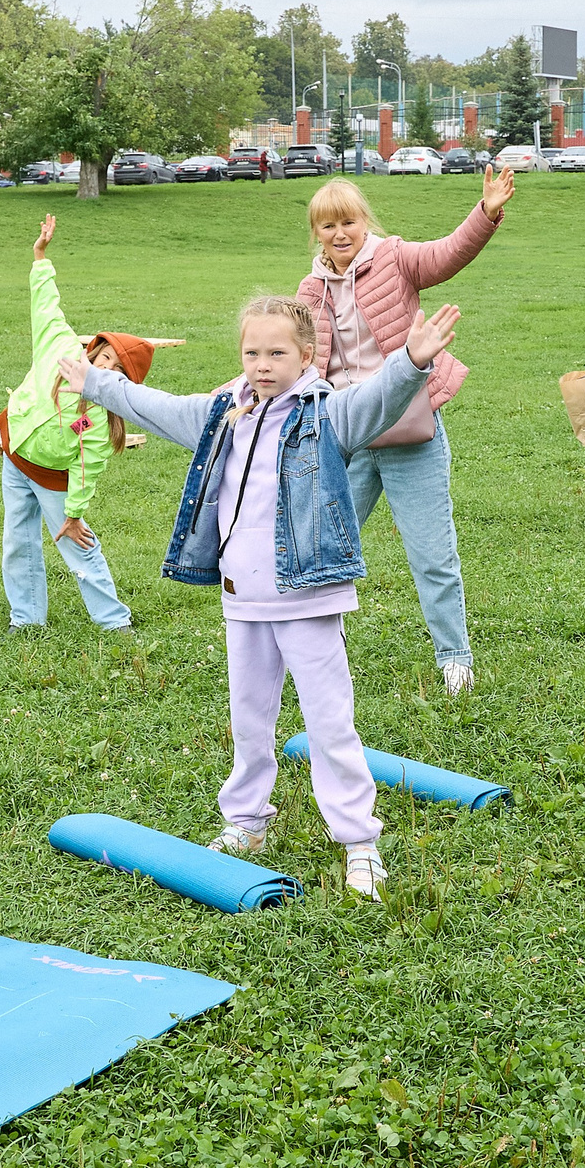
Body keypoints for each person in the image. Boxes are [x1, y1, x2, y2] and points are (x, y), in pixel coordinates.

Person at [66, 296, 462, 899]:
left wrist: (409, 361)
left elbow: (375, 401)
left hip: (305, 596)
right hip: (241, 597)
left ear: (307, 356)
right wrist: (97, 382)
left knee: (330, 725)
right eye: (252, 352)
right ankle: (247, 823)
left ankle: (359, 842)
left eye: (278, 352)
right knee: (249, 722)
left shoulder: (326, 412)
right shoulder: (226, 413)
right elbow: (159, 406)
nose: (263, 363)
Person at [293, 172, 510, 695]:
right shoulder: (309, 290)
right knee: (324, 547)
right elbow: (298, 355)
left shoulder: (393, 258)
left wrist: (485, 211)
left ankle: (454, 659)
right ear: (317, 232)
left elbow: (448, 253)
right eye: (328, 225)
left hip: (411, 429)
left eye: (348, 221)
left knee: (432, 553)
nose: (340, 232)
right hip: (347, 436)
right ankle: (322, 647)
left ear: (363, 219)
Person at [0, 214, 151, 634]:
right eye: (104, 357)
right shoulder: (60, 346)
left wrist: (74, 513)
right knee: (17, 542)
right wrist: (40, 256)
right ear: (93, 347)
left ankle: (114, 621)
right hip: (15, 458)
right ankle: (26, 620)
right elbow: (46, 305)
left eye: (117, 371)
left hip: (53, 479)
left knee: (77, 544)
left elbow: (88, 467)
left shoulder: (99, 418)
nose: (104, 368)